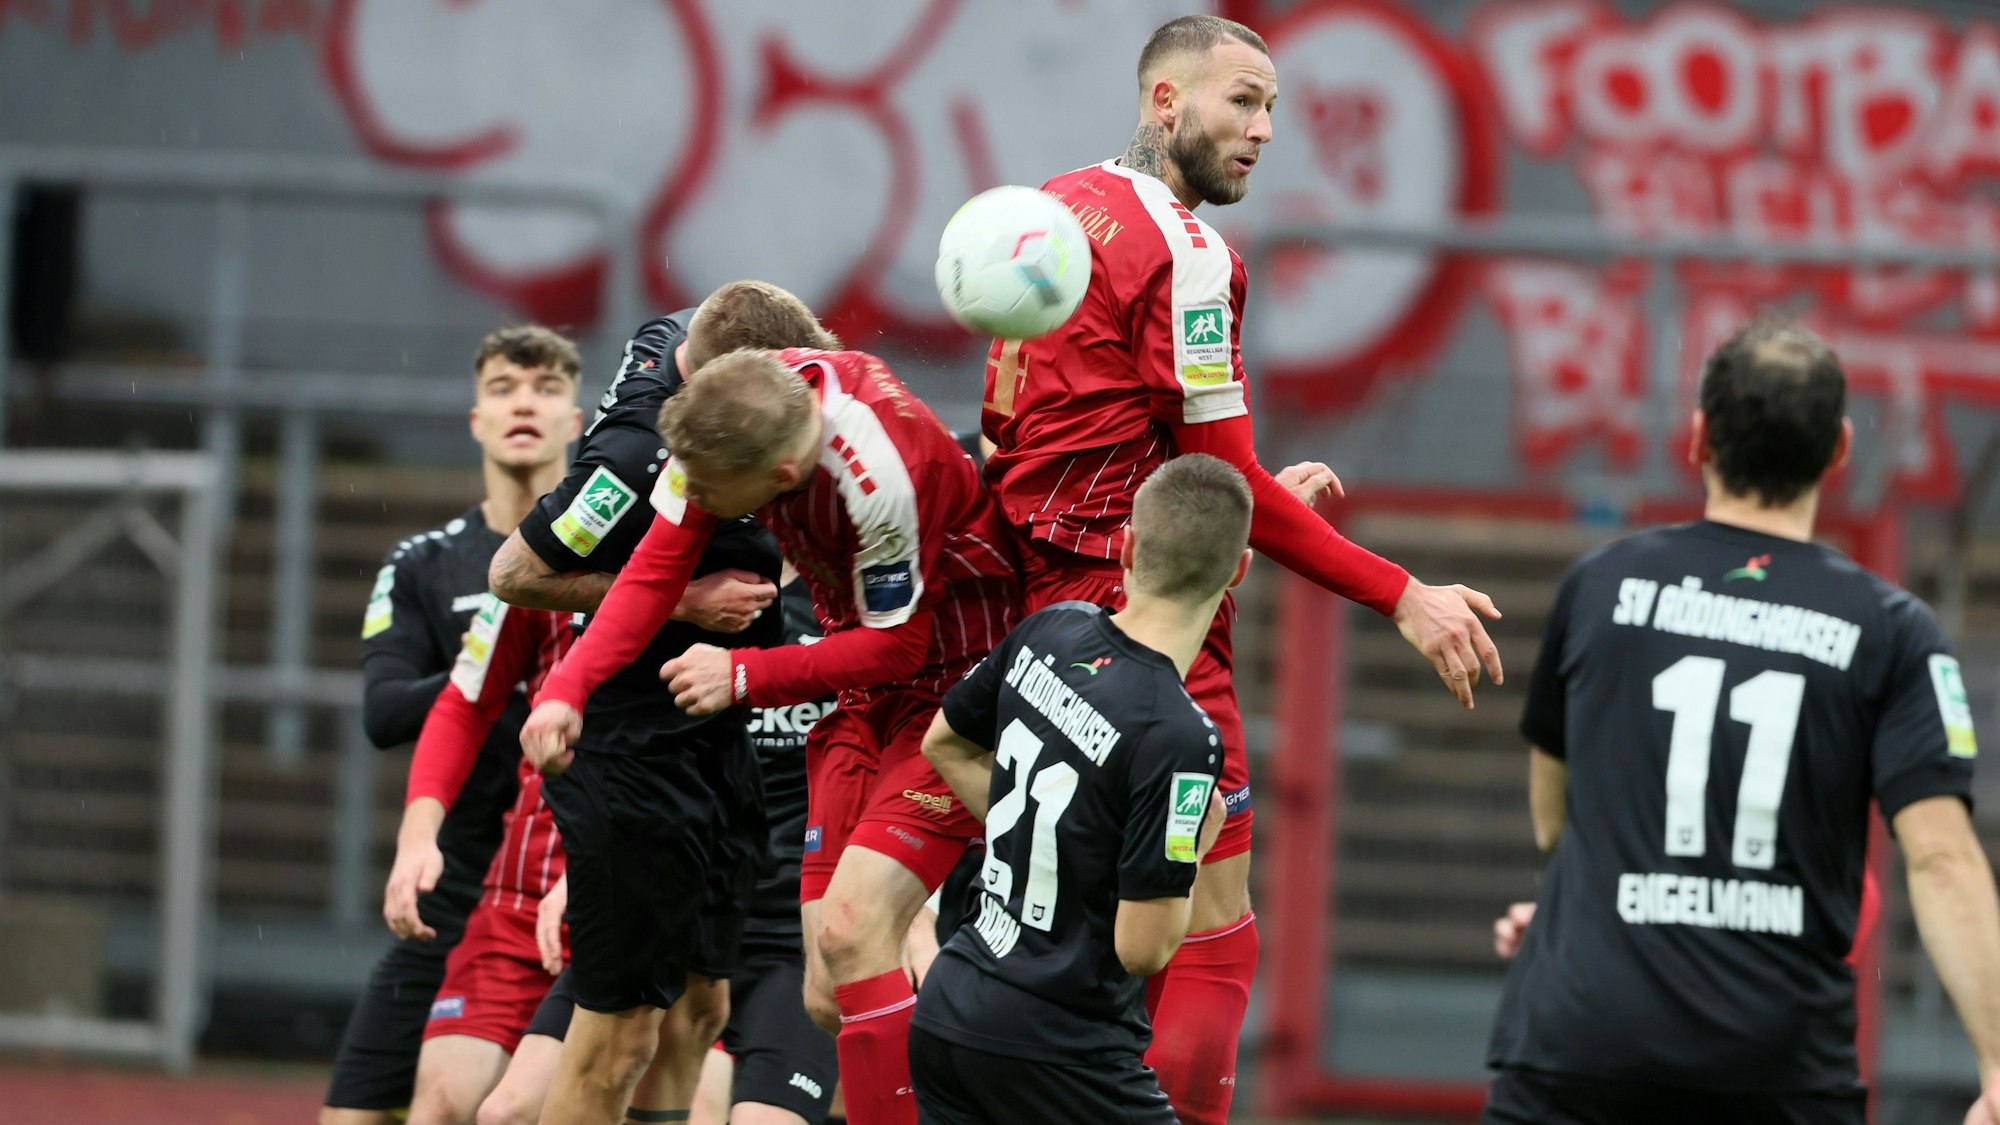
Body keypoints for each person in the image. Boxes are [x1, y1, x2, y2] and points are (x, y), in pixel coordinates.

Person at [977, 15, 1503, 1120]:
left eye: (1271, 107)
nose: (1263, 130)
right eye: (1239, 102)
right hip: (1148, 628)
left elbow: (1021, 428)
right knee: (1210, 926)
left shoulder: (1047, 211)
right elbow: (1218, 482)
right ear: (1163, 103)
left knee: (1027, 924)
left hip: (1030, 628)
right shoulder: (1192, 254)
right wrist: (1400, 593)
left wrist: (1237, 489)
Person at [1483, 320, 2000, 1125]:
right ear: (1839, 451)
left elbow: (1556, 809)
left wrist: (1575, 907)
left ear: (1698, 440)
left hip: (1581, 1043)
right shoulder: (1892, 627)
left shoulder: (1600, 584)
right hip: (1777, 1066)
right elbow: (1941, 858)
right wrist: (1999, 1064)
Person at [522, 331, 1018, 1125]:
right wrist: (567, 687)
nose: (705, 504)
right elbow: (655, 568)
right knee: (830, 991)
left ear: (781, 480)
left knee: (856, 933)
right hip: (861, 696)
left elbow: (902, 644)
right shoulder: (731, 419)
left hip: (956, 697)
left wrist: (744, 675)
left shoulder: (880, 471)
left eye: (719, 494)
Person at [488, 289, 838, 1125]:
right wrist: (685, 600)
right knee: (617, 1046)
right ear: (710, 391)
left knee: (696, 1014)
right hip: (636, 755)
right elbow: (512, 575)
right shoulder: (633, 461)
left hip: (715, 741)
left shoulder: (679, 333)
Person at [909, 453, 1247, 1124]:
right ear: (1236, 572)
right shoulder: (1182, 736)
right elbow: (1142, 947)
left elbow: (942, 743)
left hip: (951, 1007)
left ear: (1125, 546)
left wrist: (1068, 851)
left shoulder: (1050, 628)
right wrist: (1194, 846)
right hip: (1059, 1049)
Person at [323, 325, 583, 1125]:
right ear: (476, 418)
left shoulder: (606, 552)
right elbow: (386, 710)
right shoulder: (423, 562)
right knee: (359, 1109)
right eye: (504, 387)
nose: (524, 404)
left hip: (574, 865)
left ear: (578, 420)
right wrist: (503, 666)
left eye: (545, 389)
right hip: (459, 878)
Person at [385, 595, 575, 1125]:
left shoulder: (714, 559)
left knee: (518, 1112)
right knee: (441, 1105)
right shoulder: (549, 552)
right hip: (520, 897)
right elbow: (464, 700)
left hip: (637, 898)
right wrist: (416, 840)